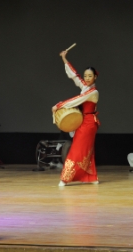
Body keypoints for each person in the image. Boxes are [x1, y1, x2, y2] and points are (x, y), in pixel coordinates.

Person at [52, 50, 99, 186]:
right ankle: (92, 177)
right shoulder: (85, 87)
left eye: (90, 76)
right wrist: (64, 59)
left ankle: (65, 178)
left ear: (95, 77)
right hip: (84, 121)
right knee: (85, 150)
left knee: (78, 149)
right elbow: (75, 76)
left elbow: (77, 100)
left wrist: (59, 105)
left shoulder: (93, 92)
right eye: (86, 76)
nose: (87, 78)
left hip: (89, 123)